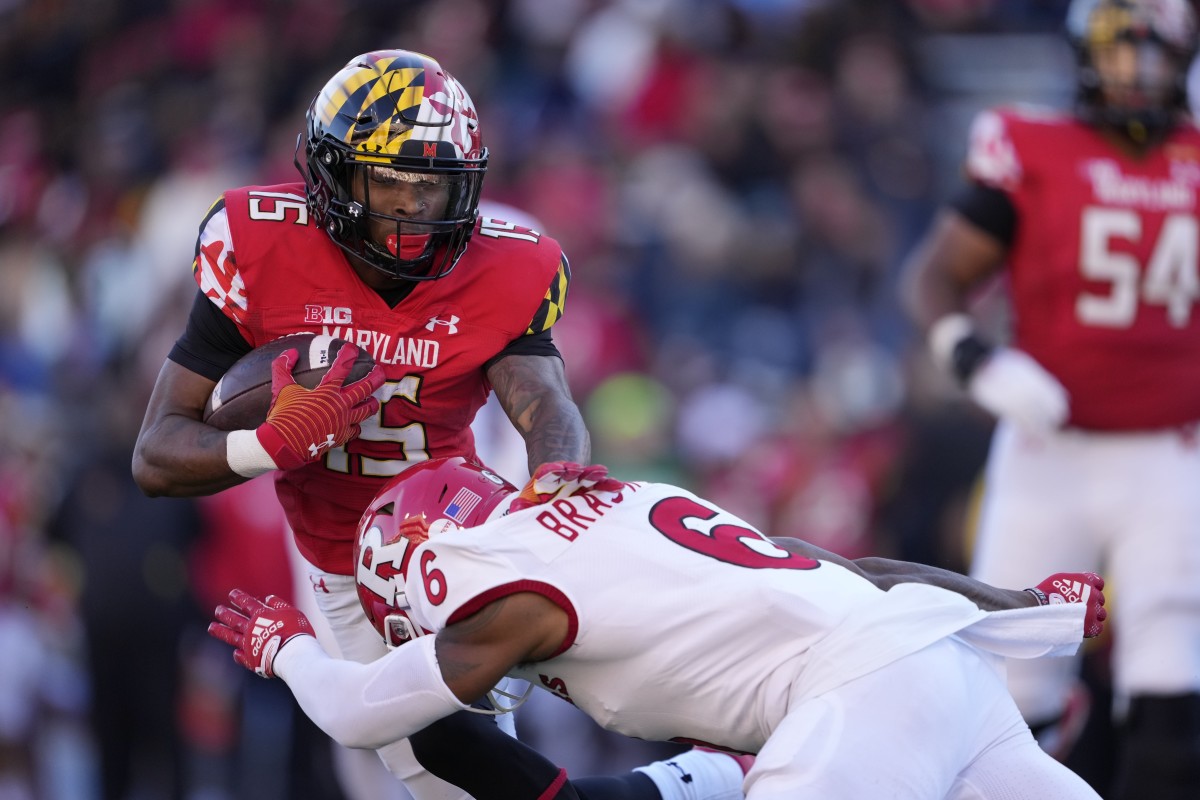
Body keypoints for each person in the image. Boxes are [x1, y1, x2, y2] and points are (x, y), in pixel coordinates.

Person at [131, 48, 617, 800]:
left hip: (448, 546)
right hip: (329, 561)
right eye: (390, 179)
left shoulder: (506, 266)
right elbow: (156, 456)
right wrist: (269, 444)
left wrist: (554, 476)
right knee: (367, 765)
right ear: (331, 174)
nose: (413, 209)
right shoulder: (258, 244)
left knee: (461, 778)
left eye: (434, 188)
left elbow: (545, 402)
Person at [208, 457, 1109, 799]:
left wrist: (286, 648)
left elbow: (362, 714)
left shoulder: (493, 589)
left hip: (861, 696)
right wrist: (1023, 603)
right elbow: (849, 571)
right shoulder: (627, 499)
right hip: (941, 667)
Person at [900, 1, 1200, 797]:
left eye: (1154, 51)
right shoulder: (1034, 146)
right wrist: (972, 356)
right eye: (1121, 49)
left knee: (1172, 687)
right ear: (1086, 54)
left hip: (1169, 455)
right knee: (1008, 688)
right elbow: (934, 277)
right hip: (1047, 455)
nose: (1137, 71)